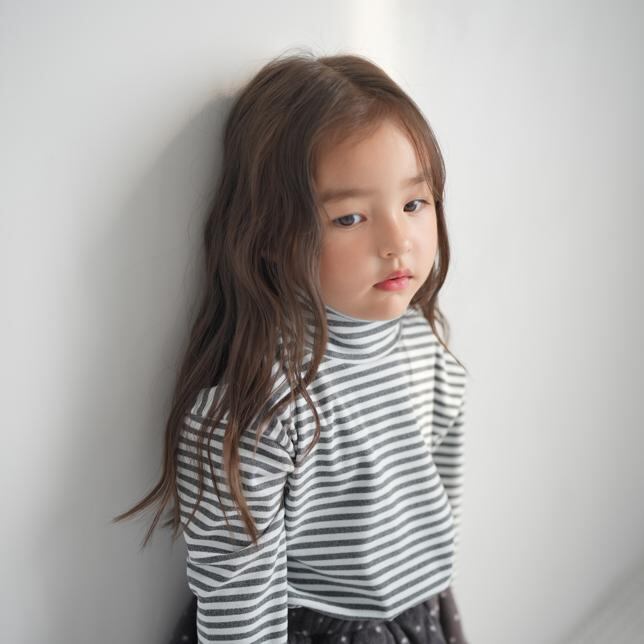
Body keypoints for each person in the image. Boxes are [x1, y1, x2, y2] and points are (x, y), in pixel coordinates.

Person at [114, 49, 470, 644]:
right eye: (349, 218)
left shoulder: (424, 346)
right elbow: (240, 593)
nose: (397, 241)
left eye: (414, 204)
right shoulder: (262, 407)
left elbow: (441, 502)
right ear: (270, 237)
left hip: (422, 611)